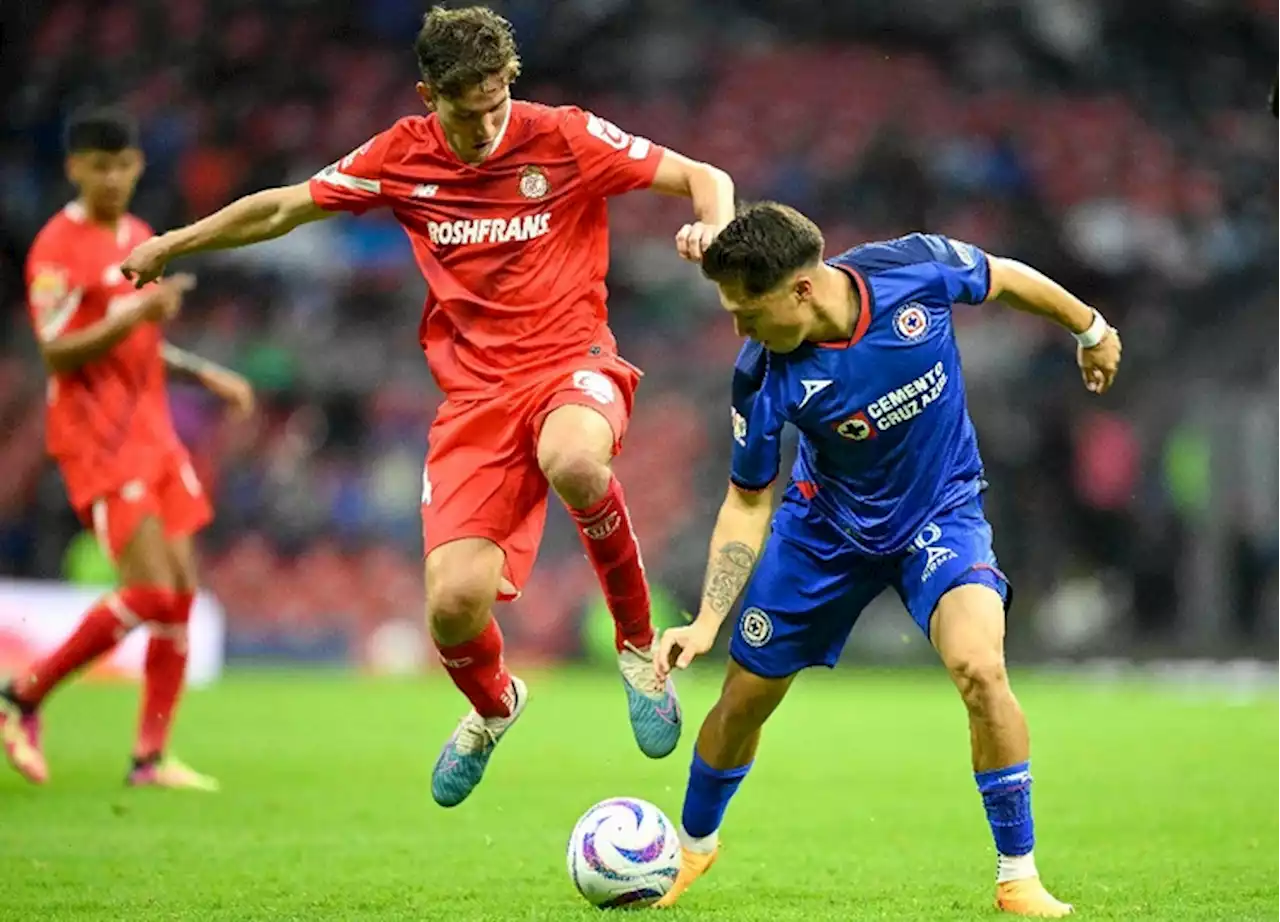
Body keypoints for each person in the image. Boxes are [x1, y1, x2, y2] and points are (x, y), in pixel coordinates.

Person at [120, 5, 735, 808]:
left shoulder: (564, 135)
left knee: (576, 458)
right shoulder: (400, 157)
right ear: (427, 95)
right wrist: (173, 243)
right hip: (475, 401)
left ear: (511, 82)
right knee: (451, 609)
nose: (485, 126)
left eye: (496, 103)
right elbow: (283, 207)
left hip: (571, 361)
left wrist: (712, 229)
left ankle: (636, 647)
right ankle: (493, 708)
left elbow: (704, 178)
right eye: (465, 110)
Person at [654, 202, 1122, 916]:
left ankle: (1017, 877)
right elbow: (749, 501)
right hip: (823, 531)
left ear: (802, 290)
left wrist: (1089, 328)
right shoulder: (761, 377)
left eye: (749, 313)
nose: (740, 331)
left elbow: (1005, 279)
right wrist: (709, 619)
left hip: (940, 514)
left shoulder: (912, 270)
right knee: (744, 701)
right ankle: (692, 849)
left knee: (980, 667)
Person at [1, 107, 255, 791]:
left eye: (123, 165)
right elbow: (55, 350)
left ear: (138, 166)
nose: (112, 177)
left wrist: (205, 374)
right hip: (98, 439)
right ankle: (22, 695)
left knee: (179, 597)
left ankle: (150, 758)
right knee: (148, 590)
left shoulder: (140, 235)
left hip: (152, 432)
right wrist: (132, 314)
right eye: (98, 165)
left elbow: (139, 343)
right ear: (74, 167)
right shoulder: (57, 248)